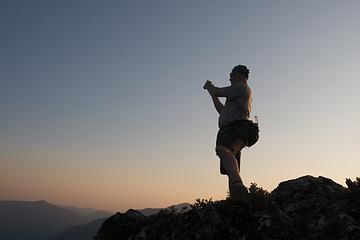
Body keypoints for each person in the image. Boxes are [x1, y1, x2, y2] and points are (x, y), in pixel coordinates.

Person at [203, 65, 253, 200]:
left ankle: (238, 186)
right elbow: (222, 110)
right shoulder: (237, 92)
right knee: (231, 166)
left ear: (240, 74)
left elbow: (216, 91)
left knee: (221, 149)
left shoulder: (240, 87)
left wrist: (209, 86)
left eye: (231, 74)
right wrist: (213, 95)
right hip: (232, 130)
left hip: (236, 129)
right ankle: (236, 198)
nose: (229, 77)